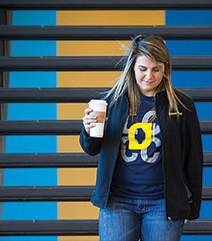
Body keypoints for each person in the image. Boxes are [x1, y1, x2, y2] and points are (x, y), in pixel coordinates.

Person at [80, 35, 203, 241]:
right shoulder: (112, 101)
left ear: (165, 68)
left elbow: (194, 159)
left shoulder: (182, 105)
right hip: (117, 202)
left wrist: (192, 206)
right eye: (143, 69)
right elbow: (91, 148)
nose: (149, 76)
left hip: (163, 204)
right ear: (132, 68)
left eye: (156, 69)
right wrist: (87, 129)